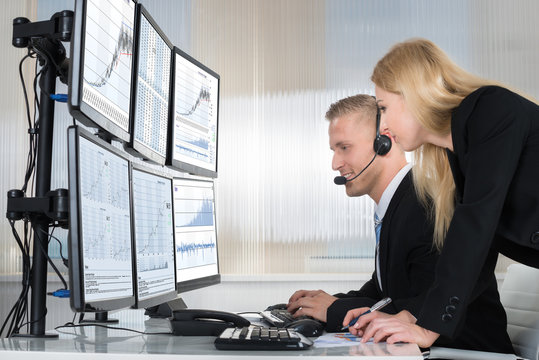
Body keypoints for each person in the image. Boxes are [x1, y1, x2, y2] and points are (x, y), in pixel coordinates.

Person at [344, 38, 539, 349]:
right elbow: (479, 254)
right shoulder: (460, 152)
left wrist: (428, 330)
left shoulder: (490, 110)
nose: (382, 128)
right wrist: (414, 315)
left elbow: (474, 228)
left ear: (414, 93)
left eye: (383, 108)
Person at [287, 95, 437, 336]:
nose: (335, 163)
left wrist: (335, 310)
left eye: (344, 147)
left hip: (461, 349)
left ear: (384, 143)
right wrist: (325, 304)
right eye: (334, 150)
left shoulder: (425, 204)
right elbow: (384, 294)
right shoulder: (396, 203)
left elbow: (425, 307)